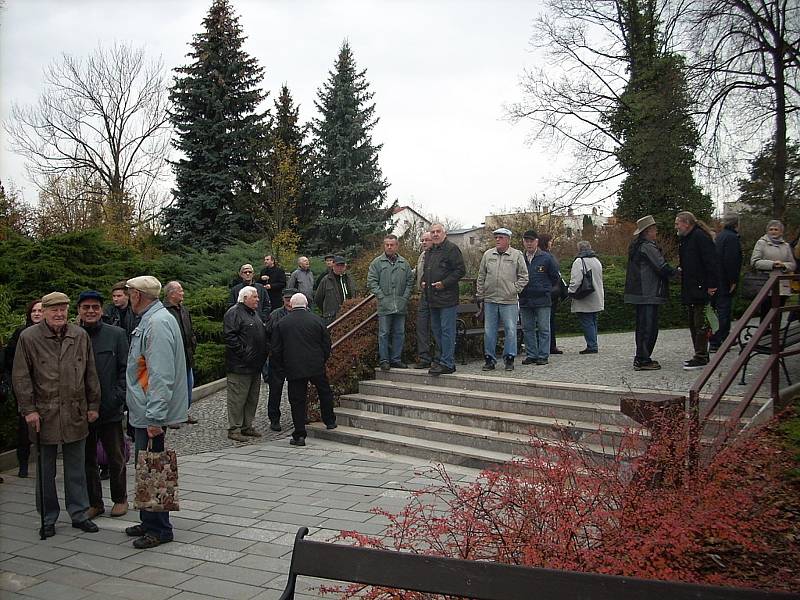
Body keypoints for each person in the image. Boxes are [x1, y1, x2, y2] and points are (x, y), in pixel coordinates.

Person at [12, 291, 101, 538]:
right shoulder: (29, 338)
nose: (60, 314)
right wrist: (28, 410)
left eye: (63, 309)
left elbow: (90, 373)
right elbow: (20, 377)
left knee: (76, 468)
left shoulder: (79, 335)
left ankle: (79, 513)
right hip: (44, 413)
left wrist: (93, 405)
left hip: (75, 410)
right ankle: (47, 517)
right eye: (54, 310)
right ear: (45, 312)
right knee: (45, 470)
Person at [124, 275, 187, 549]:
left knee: (154, 467)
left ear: (137, 295)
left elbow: (160, 375)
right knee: (146, 466)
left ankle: (160, 528)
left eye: (129, 294)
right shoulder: (154, 319)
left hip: (150, 413)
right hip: (145, 410)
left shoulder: (157, 323)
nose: (127, 298)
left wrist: (155, 417)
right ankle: (148, 519)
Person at [76, 290, 129, 519]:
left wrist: (117, 398)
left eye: (95, 307)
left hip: (109, 408)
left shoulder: (116, 334)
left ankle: (120, 498)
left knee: (115, 456)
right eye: (86, 307)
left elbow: (125, 370)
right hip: (81, 410)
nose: (90, 311)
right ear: (79, 310)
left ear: (101, 309)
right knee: (87, 459)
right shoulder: (74, 336)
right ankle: (94, 502)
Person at [271, 293, 337, 446]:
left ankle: (299, 434)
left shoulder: (282, 323)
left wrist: (283, 366)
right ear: (306, 305)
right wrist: (322, 359)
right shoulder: (317, 320)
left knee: (297, 400)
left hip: (294, 368)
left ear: (291, 305)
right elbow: (327, 344)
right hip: (316, 366)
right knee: (325, 392)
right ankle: (330, 421)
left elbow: (276, 349)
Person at [624, 216, 678, 371]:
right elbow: (661, 267)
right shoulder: (647, 247)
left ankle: (641, 357)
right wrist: (677, 272)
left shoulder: (637, 246)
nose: (657, 232)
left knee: (643, 327)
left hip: (640, 292)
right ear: (648, 231)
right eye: (654, 229)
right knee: (649, 327)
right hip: (648, 292)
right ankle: (643, 359)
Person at [476, 227, 528, 371]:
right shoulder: (488, 255)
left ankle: (509, 358)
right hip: (490, 299)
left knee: (510, 330)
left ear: (508, 239)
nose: (497, 240)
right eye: (496, 237)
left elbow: (524, 276)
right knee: (489, 331)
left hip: (509, 300)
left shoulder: (516, 255)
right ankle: (489, 359)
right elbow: (481, 276)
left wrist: (514, 289)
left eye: (501, 237)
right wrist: (480, 294)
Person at [223, 286, 268, 442]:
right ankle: (234, 428)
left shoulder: (253, 313)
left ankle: (246, 426)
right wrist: (244, 354)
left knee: (251, 398)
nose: (258, 299)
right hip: (240, 366)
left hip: (255, 365)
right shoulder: (234, 313)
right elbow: (230, 337)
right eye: (254, 297)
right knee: (237, 398)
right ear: (245, 298)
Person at [675, 211, 719, 370]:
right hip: (691, 286)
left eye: (678, 223)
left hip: (700, 286)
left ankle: (700, 356)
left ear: (686, 223)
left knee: (700, 322)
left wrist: (712, 284)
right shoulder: (686, 239)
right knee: (694, 322)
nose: (676, 227)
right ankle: (700, 353)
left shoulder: (699, 237)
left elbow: (711, 262)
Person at [3, 299, 42, 478]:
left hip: (46, 388)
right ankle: (23, 463)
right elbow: (9, 359)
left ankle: (43, 462)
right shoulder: (21, 333)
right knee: (24, 429)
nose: (36, 313)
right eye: (33, 310)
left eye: (40, 310)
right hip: (26, 388)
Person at [421, 223, 466, 375]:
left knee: (447, 332)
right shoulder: (430, 251)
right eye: (432, 232)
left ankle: (448, 362)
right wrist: (423, 280)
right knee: (437, 331)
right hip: (432, 299)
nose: (435, 234)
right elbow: (427, 270)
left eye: (438, 231)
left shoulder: (451, 249)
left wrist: (444, 283)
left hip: (447, 299)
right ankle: (442, 359)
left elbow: (460, 270)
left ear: (444, 233)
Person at [368, 234, 415, 370]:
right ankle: (384, 360)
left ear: (397, 246)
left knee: (399, 333)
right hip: (384, 305)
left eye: (392, 244)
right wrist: (381, 297)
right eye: (387, 244)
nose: (389, 247)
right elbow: (371, 281)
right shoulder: (377, 263)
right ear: (384, 245)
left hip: (400, 305)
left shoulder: (404, 263)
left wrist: (405, 297)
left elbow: (410, 282)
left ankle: (396, 359)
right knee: (384, 334)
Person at [519, 230, 560, 366]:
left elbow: (555, 277)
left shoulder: (546, 258)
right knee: (528, 328)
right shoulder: (519, 258)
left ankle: (543, 355)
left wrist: (546, 289)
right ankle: (532, 354)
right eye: (526, 241)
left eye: (531, 241)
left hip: (542, 298)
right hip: (525, 298)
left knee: (544, 328)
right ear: (523, 242)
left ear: (537, 242)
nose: (529, 243)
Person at [163, 281, 199, 425]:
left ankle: (183, 411)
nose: (183, 293)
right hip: (173, 356)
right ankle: (171, 415)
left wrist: (193, 342)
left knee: (188, 385)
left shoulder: (184, 310)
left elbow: (190, 329)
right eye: (180, 291)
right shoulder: (164, 311)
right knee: (174, 387)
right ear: (172, 293)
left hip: (187, 355)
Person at [264, 287, 297, 431]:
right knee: (275, 390)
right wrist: (272, 351)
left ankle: (298, 417)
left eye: (291, 299)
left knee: (296, 390)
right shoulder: (275, 314)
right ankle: (274, 418)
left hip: (295, 358)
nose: (289, 302)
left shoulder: (302, 313)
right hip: (278, 358)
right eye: (287, 299)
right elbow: (267, 335)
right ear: (283, 300)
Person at [751, 219, 796, 321]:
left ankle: (776, 335)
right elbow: (754, 262)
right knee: (766, 312)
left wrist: (783, 265)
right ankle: (764, 334)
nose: (773, 231)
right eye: (771, 229)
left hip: (782, 284)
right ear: (767, 231)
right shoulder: (761, 243)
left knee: (778, 312)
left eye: (776, 229)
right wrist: (772, 264)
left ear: (781, 232)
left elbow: (793, 264)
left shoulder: (786, 246)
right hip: (766, 282)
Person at [710, 214, 743, 351]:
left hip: (717, 278)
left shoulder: (720, 236)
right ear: (737, 224)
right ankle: (719, 340)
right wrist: (733, 280)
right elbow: (731, 261)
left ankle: (718, 338)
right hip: (724, 280)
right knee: (724, 311)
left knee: (717, 311)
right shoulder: (731, 238)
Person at [568, 240, 605, 354]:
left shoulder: (579, 261)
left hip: (585, 296)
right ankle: (593, 343)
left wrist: (570, 291)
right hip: (596, 295)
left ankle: (592, 345)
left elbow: (576, 280)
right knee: (593, 320)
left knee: (586, 320)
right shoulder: (596, 260)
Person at [538, 234, 564, 355]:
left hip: (551, 291)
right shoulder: (547, 256)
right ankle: (550, 345)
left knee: (548, 320)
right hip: (550, 291)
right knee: (548, 320)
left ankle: (550, 345)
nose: (551, 243)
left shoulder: (546, 256)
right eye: (550, 241)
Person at [315, 256, 357, 325]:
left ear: (345, 266)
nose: (340, 268)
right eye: (338, 265)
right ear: (333, 265)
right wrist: (327, 311)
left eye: (342, 265)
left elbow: (355, 294)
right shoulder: (326, 280)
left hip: (350, 314)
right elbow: (318, 299)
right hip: (332, 317)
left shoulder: (349, 279)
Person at [414, 231, 436, 368]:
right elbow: (417, 272)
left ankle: (438, 357)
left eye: (426, 240)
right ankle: (424, 357)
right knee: (421, 327)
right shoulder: (422, 256)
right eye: (422, 240)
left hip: (437, 295)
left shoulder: (438, 255)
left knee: (436, 328)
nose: (423, 243)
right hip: (424, 295)